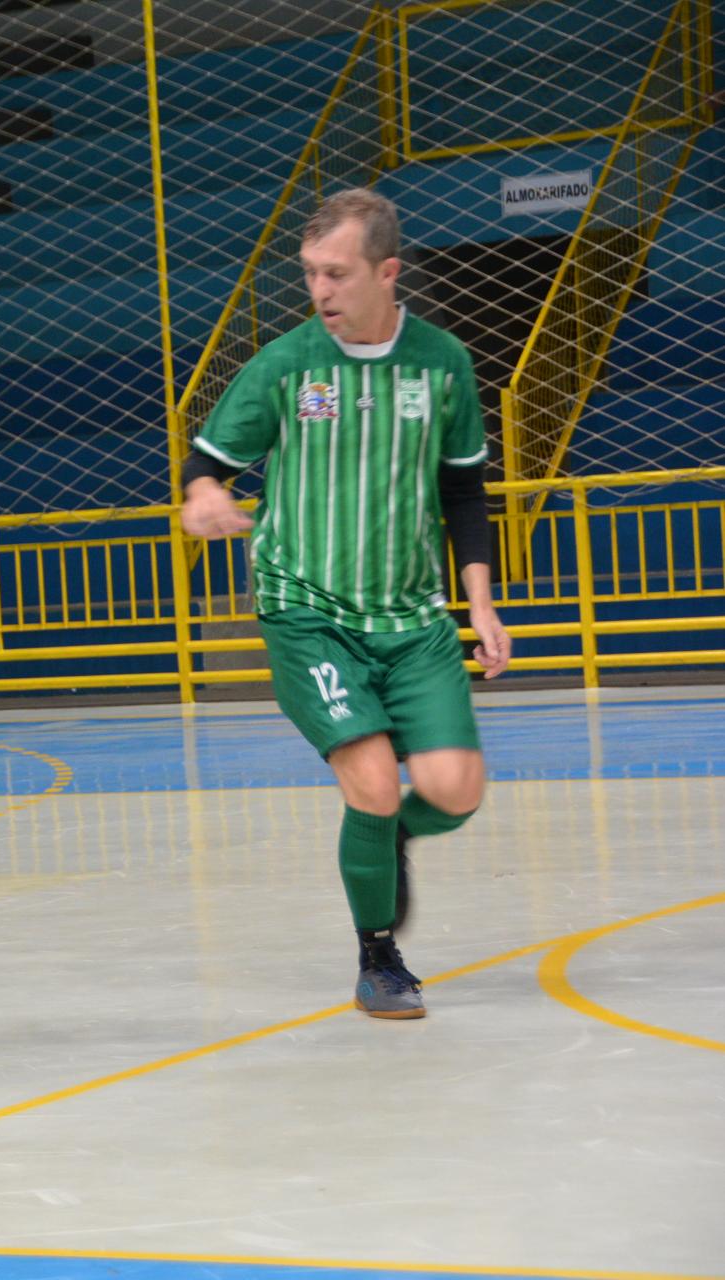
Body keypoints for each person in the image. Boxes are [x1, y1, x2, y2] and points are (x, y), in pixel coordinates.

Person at [181, 188, 512, 1019]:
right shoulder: (288, 363)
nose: (319, 291)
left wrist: (480, 605)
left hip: (411, 616)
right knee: (368, 780)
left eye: (336, 273)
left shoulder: (442, 364)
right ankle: (379, 958)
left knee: (454, 789)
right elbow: (206, 459)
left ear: (387, 271)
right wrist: (202, 495)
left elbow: (466, 494)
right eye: (310, 273)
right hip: (308, 609)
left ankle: (389, 838)